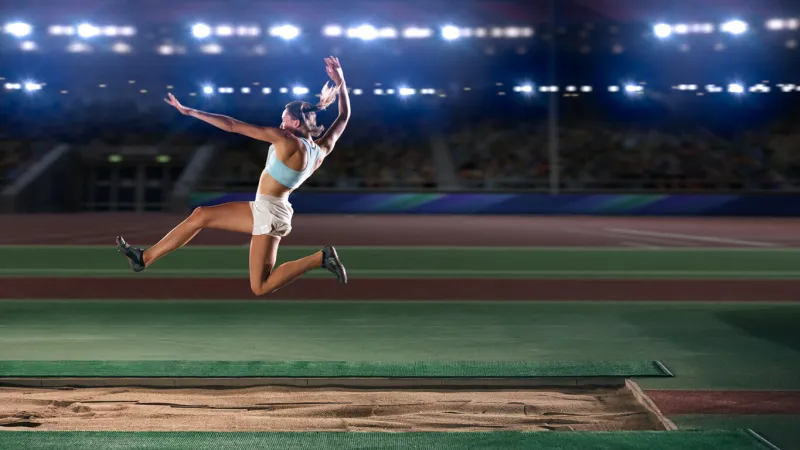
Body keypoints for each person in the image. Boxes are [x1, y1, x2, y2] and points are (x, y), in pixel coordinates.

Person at [116, 56, 350, 295]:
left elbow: (232, 126)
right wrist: (340, 81)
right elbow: (343, 117)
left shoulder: (286, 140)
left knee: (260, 286)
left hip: (268, 211)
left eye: (284, 120)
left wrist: (190, 112)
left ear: (296, 122)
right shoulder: (320, 149)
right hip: (274, 209)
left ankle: (319, 259)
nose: (280, 125)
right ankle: (143, 258)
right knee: (201, 215)